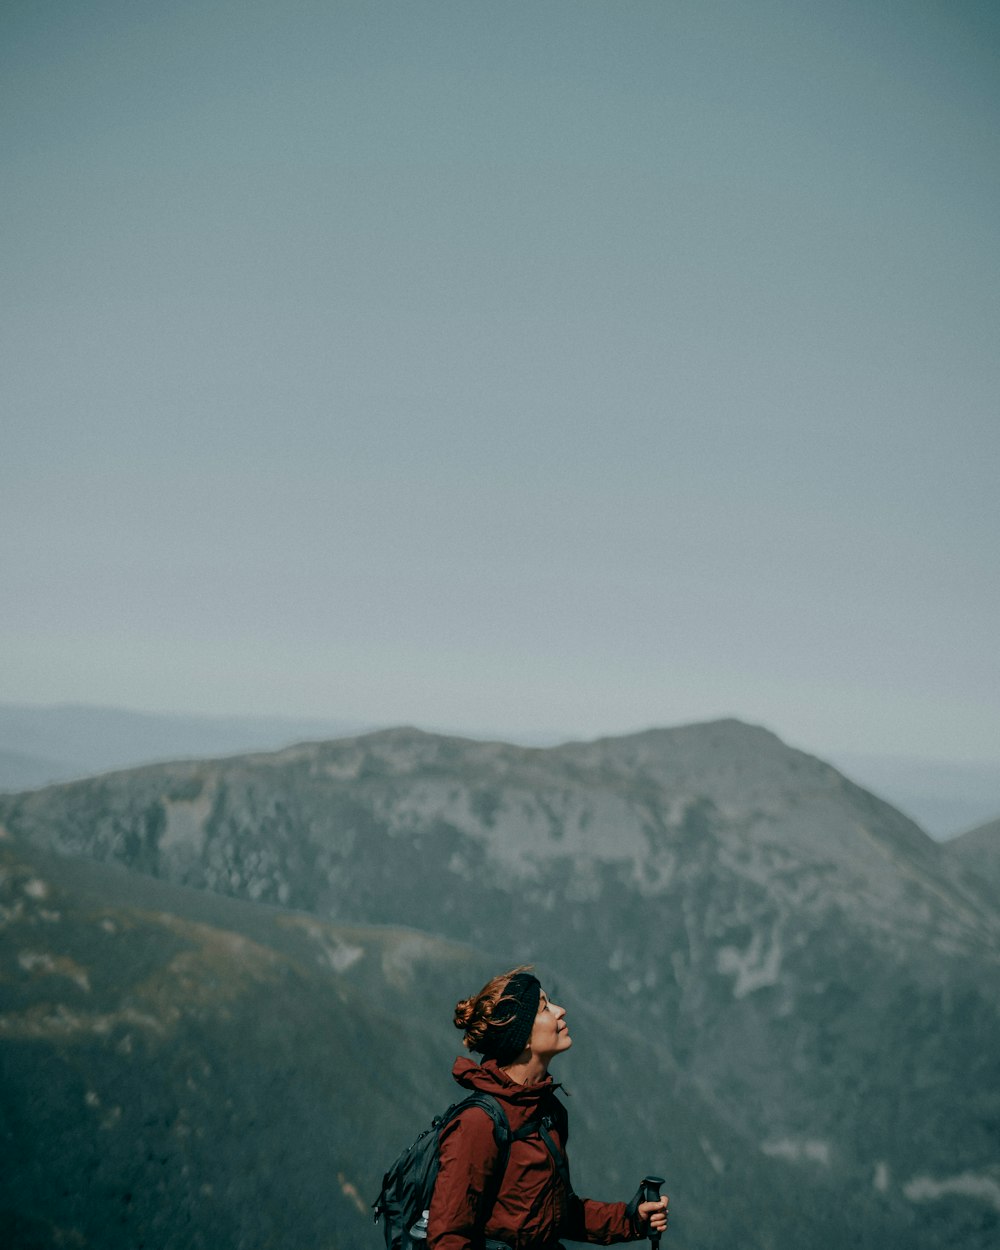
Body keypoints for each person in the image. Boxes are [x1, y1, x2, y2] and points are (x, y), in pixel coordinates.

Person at [427, 966, 669, 1250]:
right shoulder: (478, 1124)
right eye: (544, 1008)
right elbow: (447, 1240)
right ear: (523, 1038)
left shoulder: (546, 1111)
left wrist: (631, 1220)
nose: (560, 1010)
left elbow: (555, 1215)